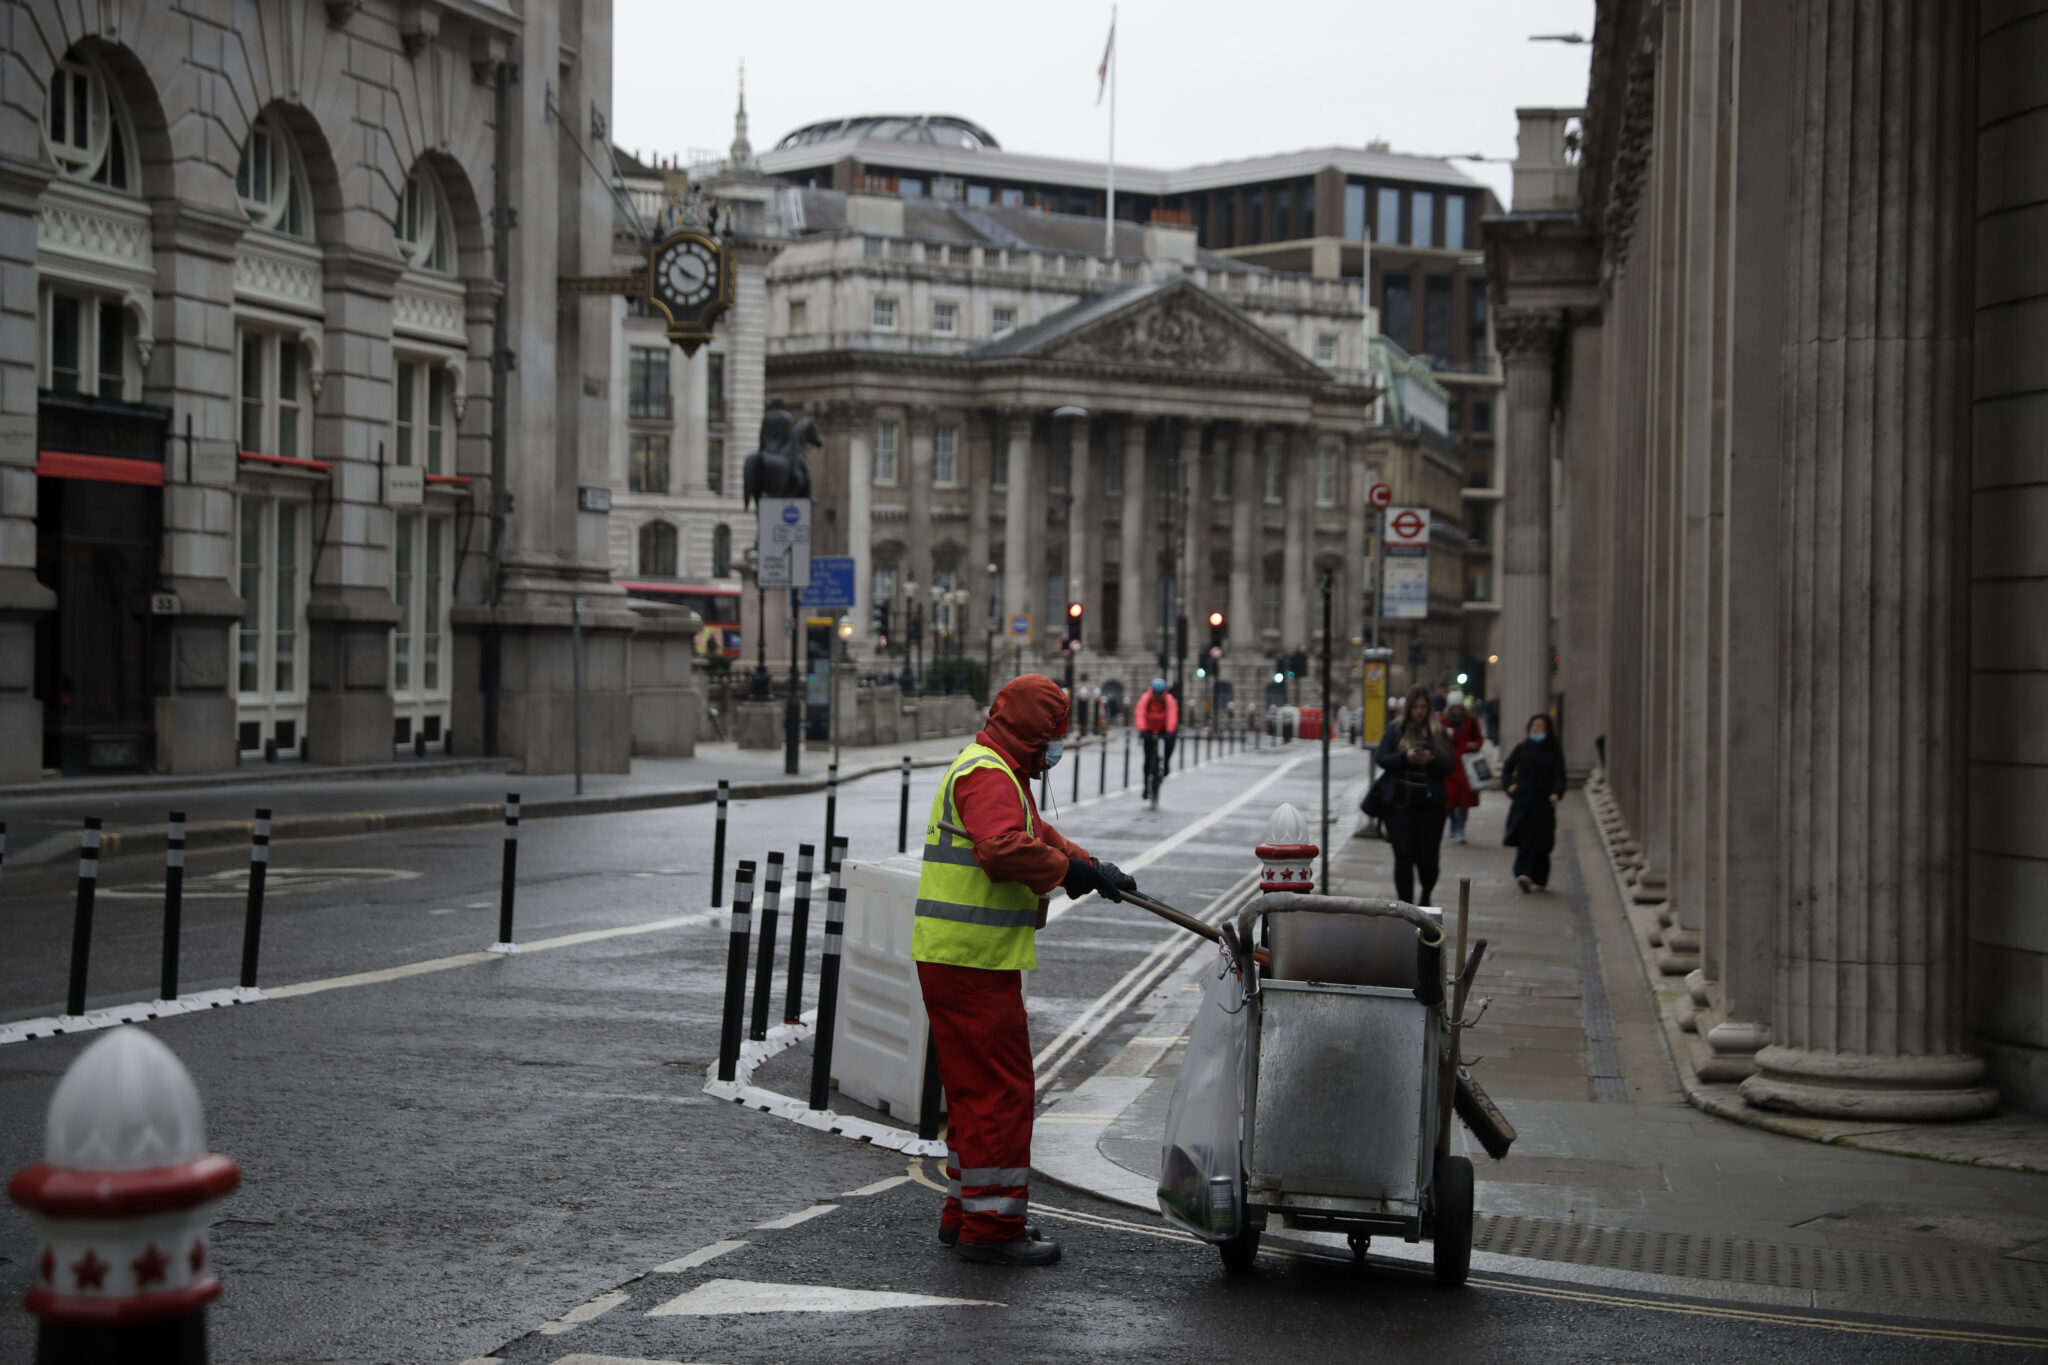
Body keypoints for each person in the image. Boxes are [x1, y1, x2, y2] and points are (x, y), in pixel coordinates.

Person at [915, 675, 1137, 1266]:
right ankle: (993, 1230)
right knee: (1002, 1093)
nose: (1057, 750)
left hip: (960, 957)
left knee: (971, 1092)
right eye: (1055, 737)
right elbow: (1001, 848)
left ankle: (964, 1213)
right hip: (972, 963)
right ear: (1035, 733)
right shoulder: (989, 774)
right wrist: (1070, 875)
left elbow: (1037, 835)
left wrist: (1093, 867)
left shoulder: (994, 767)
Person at [1375, 685, 1454, 905]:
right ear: (1409, 708)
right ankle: (1406, 905)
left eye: (1423, 707)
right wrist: (1404, 757)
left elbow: (1449, 767)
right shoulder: (1395, 729)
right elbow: (1382, 758)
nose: (1419, 711)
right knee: (1403, 856)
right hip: (1400, 805)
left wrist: (1431, 759)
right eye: (1416, 707)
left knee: (1428, 860)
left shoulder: (1439, 733)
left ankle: (1426, 896)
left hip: (1431, 806)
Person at [1501, 712, 1568, 892]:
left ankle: (1539, 876)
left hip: (1543, 803)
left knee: (1542, 842)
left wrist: (1556, 793)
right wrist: (1509, 785)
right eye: (1534, 726)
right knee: (1525, 839)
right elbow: (1508, 767)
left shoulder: (1553, 750)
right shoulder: (1523, 747)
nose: (1537, 730)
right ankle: (1523, 873)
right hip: (1523, 801)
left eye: (1541, 727)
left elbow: (1559, 775)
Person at [1441, 691, 1484, 844]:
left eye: (1458, 707)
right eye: (1454, 707)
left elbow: (1479, 738)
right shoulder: (1443, 721)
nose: (1456, 710)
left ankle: (1461, 828)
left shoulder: (1471, 721)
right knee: (1449, 799)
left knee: (1464, 800)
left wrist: (1475, 745)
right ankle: (1453, 821)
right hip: (1449, 764)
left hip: (1466, 765)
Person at [1134, 677, 1179, 801]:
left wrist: (1169, 731)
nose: (1158, 696)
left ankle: (1166, 764)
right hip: (1148, 729)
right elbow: (1139, 713)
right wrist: (1142, 730)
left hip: (1164, 729)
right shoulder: (1146, 698)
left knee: (1171, 742)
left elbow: (1172, 715)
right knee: (1148, 759)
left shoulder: (1168, 699)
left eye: (1160, 694)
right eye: (1156, 694)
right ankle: (1146, 786)